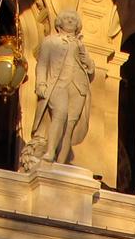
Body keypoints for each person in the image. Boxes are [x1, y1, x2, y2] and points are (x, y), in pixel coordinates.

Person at [30, 10, 95, 167]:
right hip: (57, 84)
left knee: (70, 126)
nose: (70, 20)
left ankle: (61, 163)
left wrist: (83, 52)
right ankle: (50, 152)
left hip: (78, 87)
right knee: (60, 113)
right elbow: (42, 64)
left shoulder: (80, 45)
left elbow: (91, 69)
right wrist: (41, 84)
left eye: (73, 19)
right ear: (59, 23)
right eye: (67, 18)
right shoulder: (50, 41)